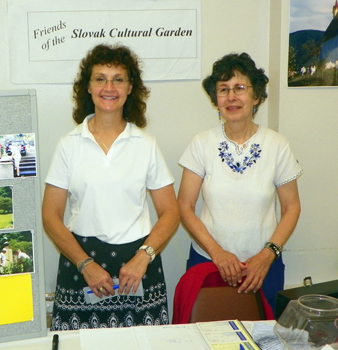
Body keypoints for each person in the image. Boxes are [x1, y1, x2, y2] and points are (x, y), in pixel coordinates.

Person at [42, 43, 179, 330]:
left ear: (130, 88)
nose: (109, 87)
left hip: (138, 267)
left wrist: (144, 257)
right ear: (88, 87)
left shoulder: (147, 144)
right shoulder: (69, 145)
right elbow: (50, 216)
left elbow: (171, 213)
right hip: (81, 265)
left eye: (118, 79)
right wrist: (85, 264)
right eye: (100, 78)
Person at [177, 52, 302, 311]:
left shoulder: (277, 144)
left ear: (256, 96)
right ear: (216, 99)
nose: (231, 97)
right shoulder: (202, 143)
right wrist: (218, 254)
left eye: (240, 88)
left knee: (262, 338)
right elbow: (184, 207)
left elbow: (292, 208)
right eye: (223, 89)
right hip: (208, 262)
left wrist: (267, 255)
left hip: (263, 266)